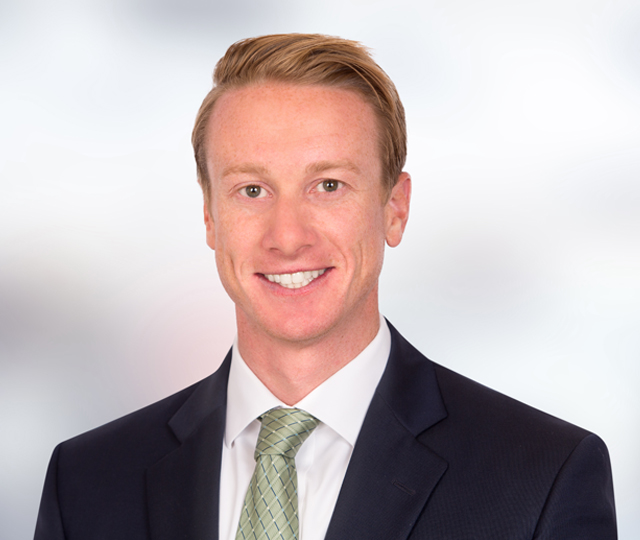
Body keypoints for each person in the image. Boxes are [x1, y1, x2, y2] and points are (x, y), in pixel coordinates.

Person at [34, 34, 616, 540]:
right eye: (252, 190)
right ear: (210, 217)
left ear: (395, 208)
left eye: (329, 185)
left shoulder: (543, 477)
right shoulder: (85, 480)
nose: (288, 237)